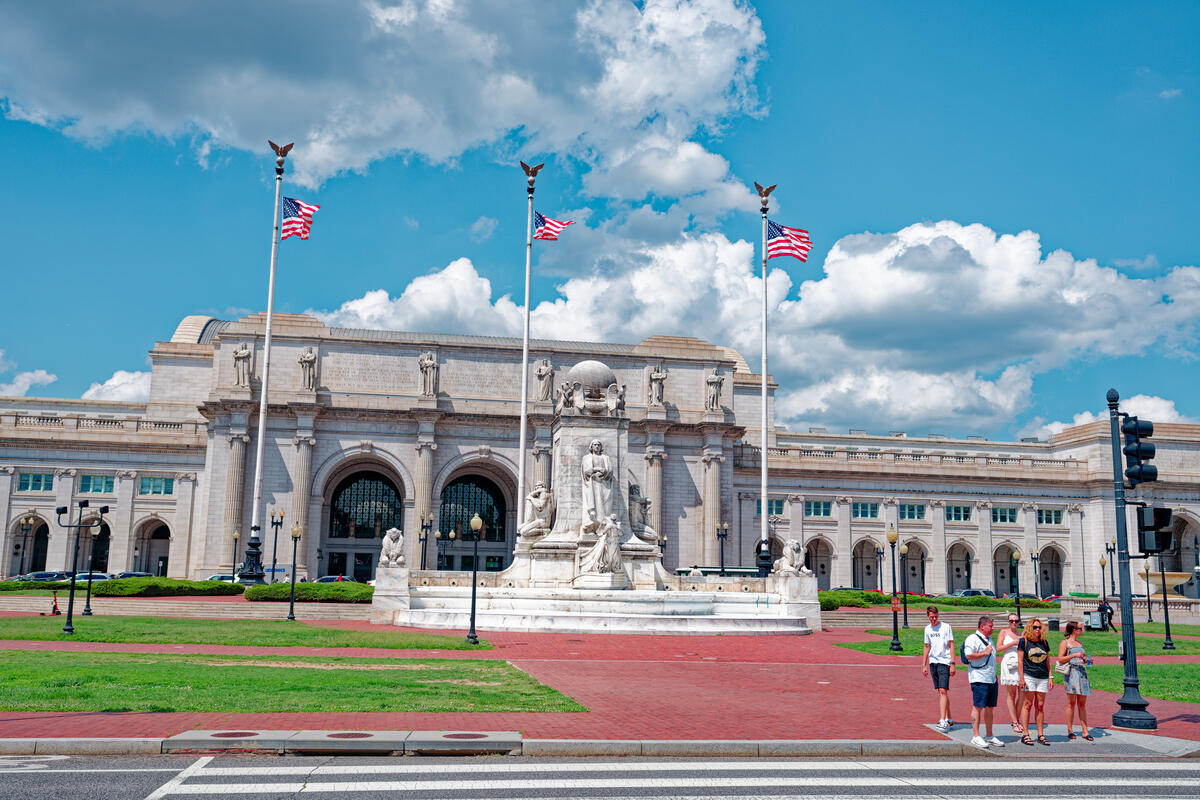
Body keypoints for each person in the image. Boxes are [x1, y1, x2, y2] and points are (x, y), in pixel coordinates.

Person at [963, 615, 1004, 749]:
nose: (993, 628)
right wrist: (985, 653)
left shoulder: (989, 639)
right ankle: (976, 736)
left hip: (991, 678)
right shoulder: (972, 639)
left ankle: (989, 735)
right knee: (978, 706)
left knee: (990, 707)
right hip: (979, 677)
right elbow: (968, 655)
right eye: (990, 626)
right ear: (982, 626)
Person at [1017, 617, 1054, 746]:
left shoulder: (1044, 642)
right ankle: (1026, 734)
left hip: (1042, 677)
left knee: (1040, 705)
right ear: (1029, 628)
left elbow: (1048, 661)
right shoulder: (1024, 641)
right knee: (1027, 704)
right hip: (1029, 676)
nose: (1037, 629)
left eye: (1039, 627)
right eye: (1035, 627)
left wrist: (1050, 676)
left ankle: (1040, 734)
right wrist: (1021, 678)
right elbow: (1020, 661)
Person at [1057, 621, 1093, 741]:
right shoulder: (1065, 643)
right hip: (1071, 674)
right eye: (1080, 628)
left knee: (1082, 704)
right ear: (1074, 630)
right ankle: (1070, 730)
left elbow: (1081, 657)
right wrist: (1074, 655)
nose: (1081, 630)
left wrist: (1086, 660)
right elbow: (1060, 659)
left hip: (1082, 673)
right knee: (1071, 703)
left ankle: (1085, 731)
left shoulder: (1079, 643)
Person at [921, 606, 955, 732]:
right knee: (941, 692)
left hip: (944, 661)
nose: (934, 619)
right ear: (928, 616)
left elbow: (951, 645)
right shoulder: (927, 629)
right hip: (933, 662)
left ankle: (942, 720)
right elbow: (926, 646)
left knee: (943, 691)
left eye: (936, 616)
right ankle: (949, 718)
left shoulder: (946, 627)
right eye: (931, 617)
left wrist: (952, 663)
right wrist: (924, 665)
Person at [997, 612, 1025, 734]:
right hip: (1009, 664)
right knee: (1011, 695)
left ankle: (1017, 719)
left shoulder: (1022, 634)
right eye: (1011, 621)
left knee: (1022, 694)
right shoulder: (1003, 632)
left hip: (1020, 664)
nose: (1014, 623)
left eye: (1016, 621)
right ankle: (1015, 722)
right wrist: (1012, 643)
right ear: (1008, 622)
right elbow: (998, 648)